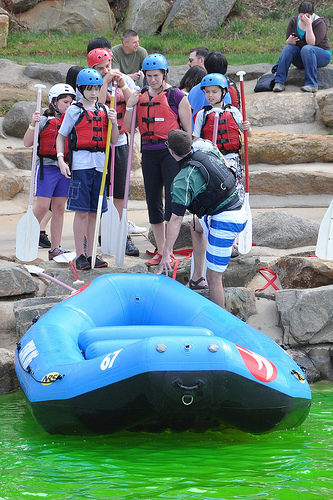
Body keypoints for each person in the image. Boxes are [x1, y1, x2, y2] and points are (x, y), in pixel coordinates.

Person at [158, 129, 248, 308]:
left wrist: (166, 252)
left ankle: (219, 326)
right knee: (195, 226)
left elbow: (175, 219)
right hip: (236, 205)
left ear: (171, 151)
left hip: (226, 220)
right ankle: (197, 278)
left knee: (214, 277)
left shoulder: (183, 180)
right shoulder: (206, 147)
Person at [124, 53, 192, 267]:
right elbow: (128, 127)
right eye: (149, 76)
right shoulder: (139, 96)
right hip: (149, 154)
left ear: (164, 75)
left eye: (156, 75)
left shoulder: (177, 97)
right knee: (153, 201)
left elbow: (188, 132)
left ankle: (168, 251)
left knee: (172, 202)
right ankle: (161, 250)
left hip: (171, 154)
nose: (152, 80)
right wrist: (129, 105)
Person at [56, 68, 119, 270]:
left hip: (101, 167)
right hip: (81, 166)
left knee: (95, 213)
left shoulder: (104, 111)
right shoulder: (74, 110)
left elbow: (114, 140)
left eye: (96, 89)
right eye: (89, 89)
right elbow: (61, 136)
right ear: (81, 89)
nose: (93, 93)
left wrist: (114, 122)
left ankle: (92, 254)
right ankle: (81, 254)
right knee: (81, 212)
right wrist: (60, 159)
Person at [87, 47, 145, 256]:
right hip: (99, 146)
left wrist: (123, 85)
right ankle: (96, 236)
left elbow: (133, 106)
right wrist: (103, 82)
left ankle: (122, 235)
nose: (106, 70)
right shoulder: (89, 83)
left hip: (120, 142)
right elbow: (97, 105)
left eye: (108, 66)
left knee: (120, 192)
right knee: (99, 193)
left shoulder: (125, 81)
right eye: (100, 68)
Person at [23, 83, 76, 260]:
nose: (69, 105)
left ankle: (55, 248)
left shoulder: (73, 120)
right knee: (43, 207)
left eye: (71, 102)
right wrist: (32, 124)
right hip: (46, 168)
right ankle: (25, 238)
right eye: (65, 102)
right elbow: (27, 142)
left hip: (65, 167)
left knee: (59, 208)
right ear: (54, 102)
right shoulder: (44, 121)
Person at [193, 73, 252, 204]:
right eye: (207, 92)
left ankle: (239, 208)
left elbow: (249, 134)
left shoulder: (233, 111)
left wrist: (247, 127)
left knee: (235, 188)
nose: (210, 95)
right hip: (212, 158)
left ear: (223, 92)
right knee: (216, 189)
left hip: (231, 157)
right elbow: (196, 140)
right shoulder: (202, 114)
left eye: (214, 91)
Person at [273, 1, 331, 93]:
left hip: (321, 55)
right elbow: (288, 41)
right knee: (288, 48)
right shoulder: (294, 21)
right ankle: (279, 81)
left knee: (307, 49)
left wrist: (308, 25)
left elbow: (312, 43)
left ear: (311, 15)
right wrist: (290, 41)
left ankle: (311, 84)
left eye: (307, 16)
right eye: (301, 16)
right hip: (303, 56)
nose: (303, 19)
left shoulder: (319, 23)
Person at [187, 51, 240, 128]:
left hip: (194, 137)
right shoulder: (224, 92)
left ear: (205, 67)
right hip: (214, 137)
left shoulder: (193, 90)